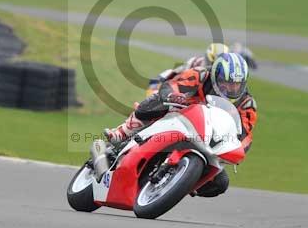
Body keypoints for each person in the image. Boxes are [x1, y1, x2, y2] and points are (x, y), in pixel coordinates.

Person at [105, 52, 258, 197]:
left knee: (220, 182)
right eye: (226, 82)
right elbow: (172, 85)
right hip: (180, 115)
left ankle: (180, 184)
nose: (231, 88)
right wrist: (174, 95)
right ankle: (122, 132)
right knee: (157, 101)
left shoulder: (246, 104)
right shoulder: (201, 74)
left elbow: (245, 136)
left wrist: (237, 150)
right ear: (216, 76)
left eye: (236, 84)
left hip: (208, 139)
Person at [145, 42, 229, 96]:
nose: (214, 68)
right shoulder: (194, 63)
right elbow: (176, 75)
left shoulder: (228, 73)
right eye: (212, 63)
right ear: (208, 58)